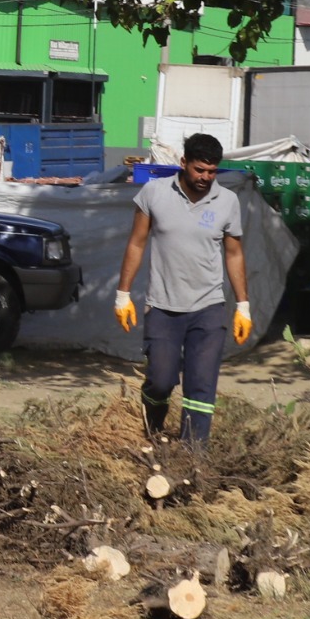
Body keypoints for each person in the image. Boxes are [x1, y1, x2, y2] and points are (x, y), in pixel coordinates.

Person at [113, 132, 252, 447]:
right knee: (161, 382)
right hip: (163, 307)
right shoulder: (154, 194)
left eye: (212, 171)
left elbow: (234, 254)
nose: (205, 177)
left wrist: (243, 305)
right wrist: (123, 294)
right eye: (199, 170)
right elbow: (136, 243)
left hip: (208, 308)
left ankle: (193, 456)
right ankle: (154, 429)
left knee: (201, 386)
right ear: (184, 163)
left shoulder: (227, 201)